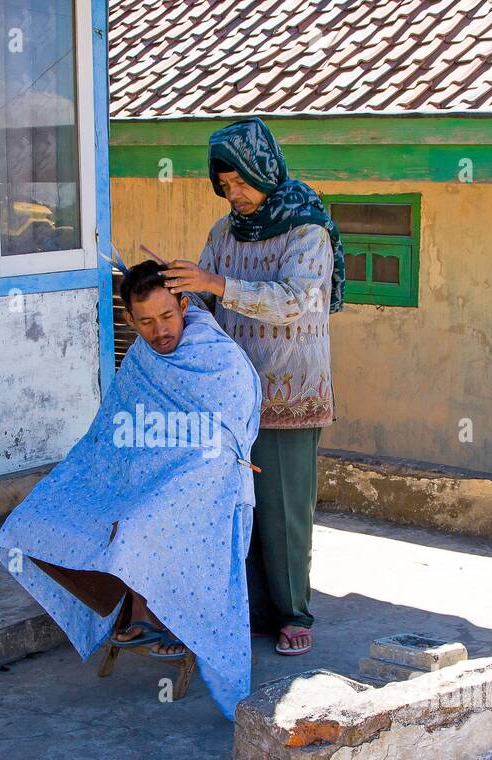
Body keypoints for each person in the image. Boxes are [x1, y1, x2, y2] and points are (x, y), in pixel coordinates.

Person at [0, 260, 262, 718]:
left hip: (204, 479)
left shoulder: (218, 357)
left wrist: (172, 462)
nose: (160, 332)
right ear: (129, 321)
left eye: (168, 317)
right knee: (40, 519)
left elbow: (227, 439)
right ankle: (131, 609)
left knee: (137, 525)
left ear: (183, 304)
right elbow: (114, 427)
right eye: (147, 322)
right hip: (142, 471)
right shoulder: (140, 356)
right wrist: (105, 464)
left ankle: (162, 619)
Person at [162, 117, 345, 657]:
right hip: (230, 395)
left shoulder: (306, 230)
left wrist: (215, 283)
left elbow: (297, 302)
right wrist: (172, 298)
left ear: (263, 168)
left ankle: (294, 612)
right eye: (224, 184)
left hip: (290, 392)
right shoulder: (224, 233)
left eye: (240, 180)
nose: (233, 192)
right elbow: (208, 304)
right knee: (240, 505)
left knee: (283, 506)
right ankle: (256, 611)